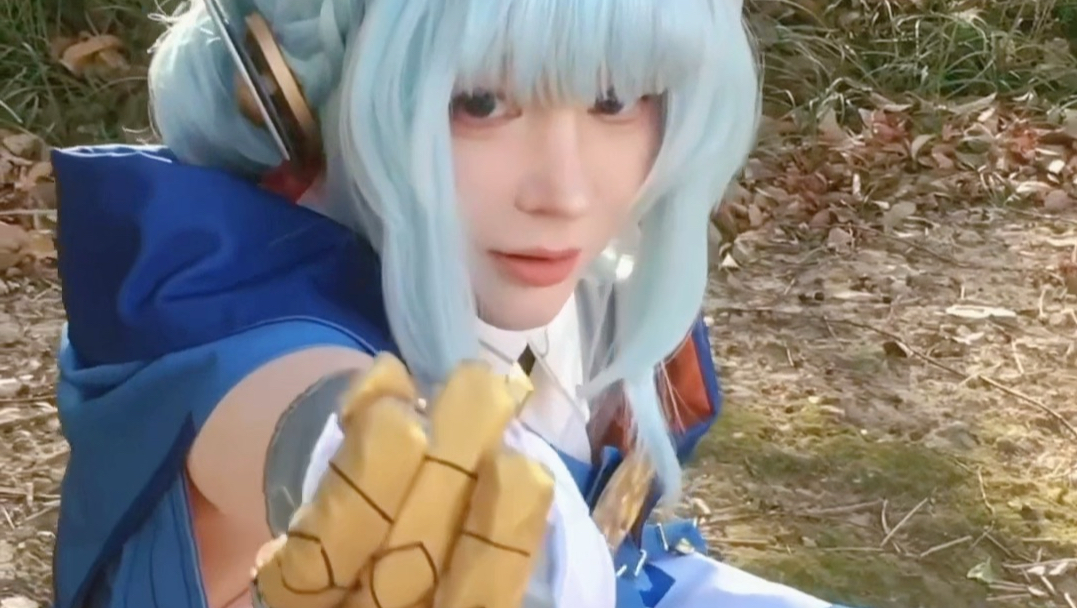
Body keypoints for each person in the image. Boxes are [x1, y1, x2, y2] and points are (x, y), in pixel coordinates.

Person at [48, 0, 863, 607]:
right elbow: (297, 408)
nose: (565, 193)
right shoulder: (219, 295)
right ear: (298, 100)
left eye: (614, 100)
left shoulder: (577, 291)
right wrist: (375, 475)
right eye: (478, 103)